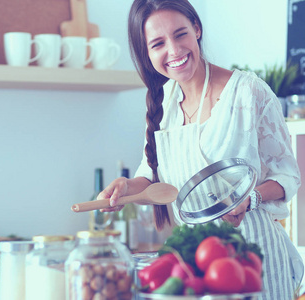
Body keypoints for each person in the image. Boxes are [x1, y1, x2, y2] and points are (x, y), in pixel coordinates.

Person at [98, 0, 304, 299]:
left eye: (180, 34)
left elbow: (288, 176)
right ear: (147, 53)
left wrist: (249, 198)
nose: (174, 50)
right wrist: (125, 188)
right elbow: (153, 180)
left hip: (255, 259)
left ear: (197, 29)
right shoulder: (163, 102)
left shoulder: (248, 92)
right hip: (199, 262)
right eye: (158, 43)